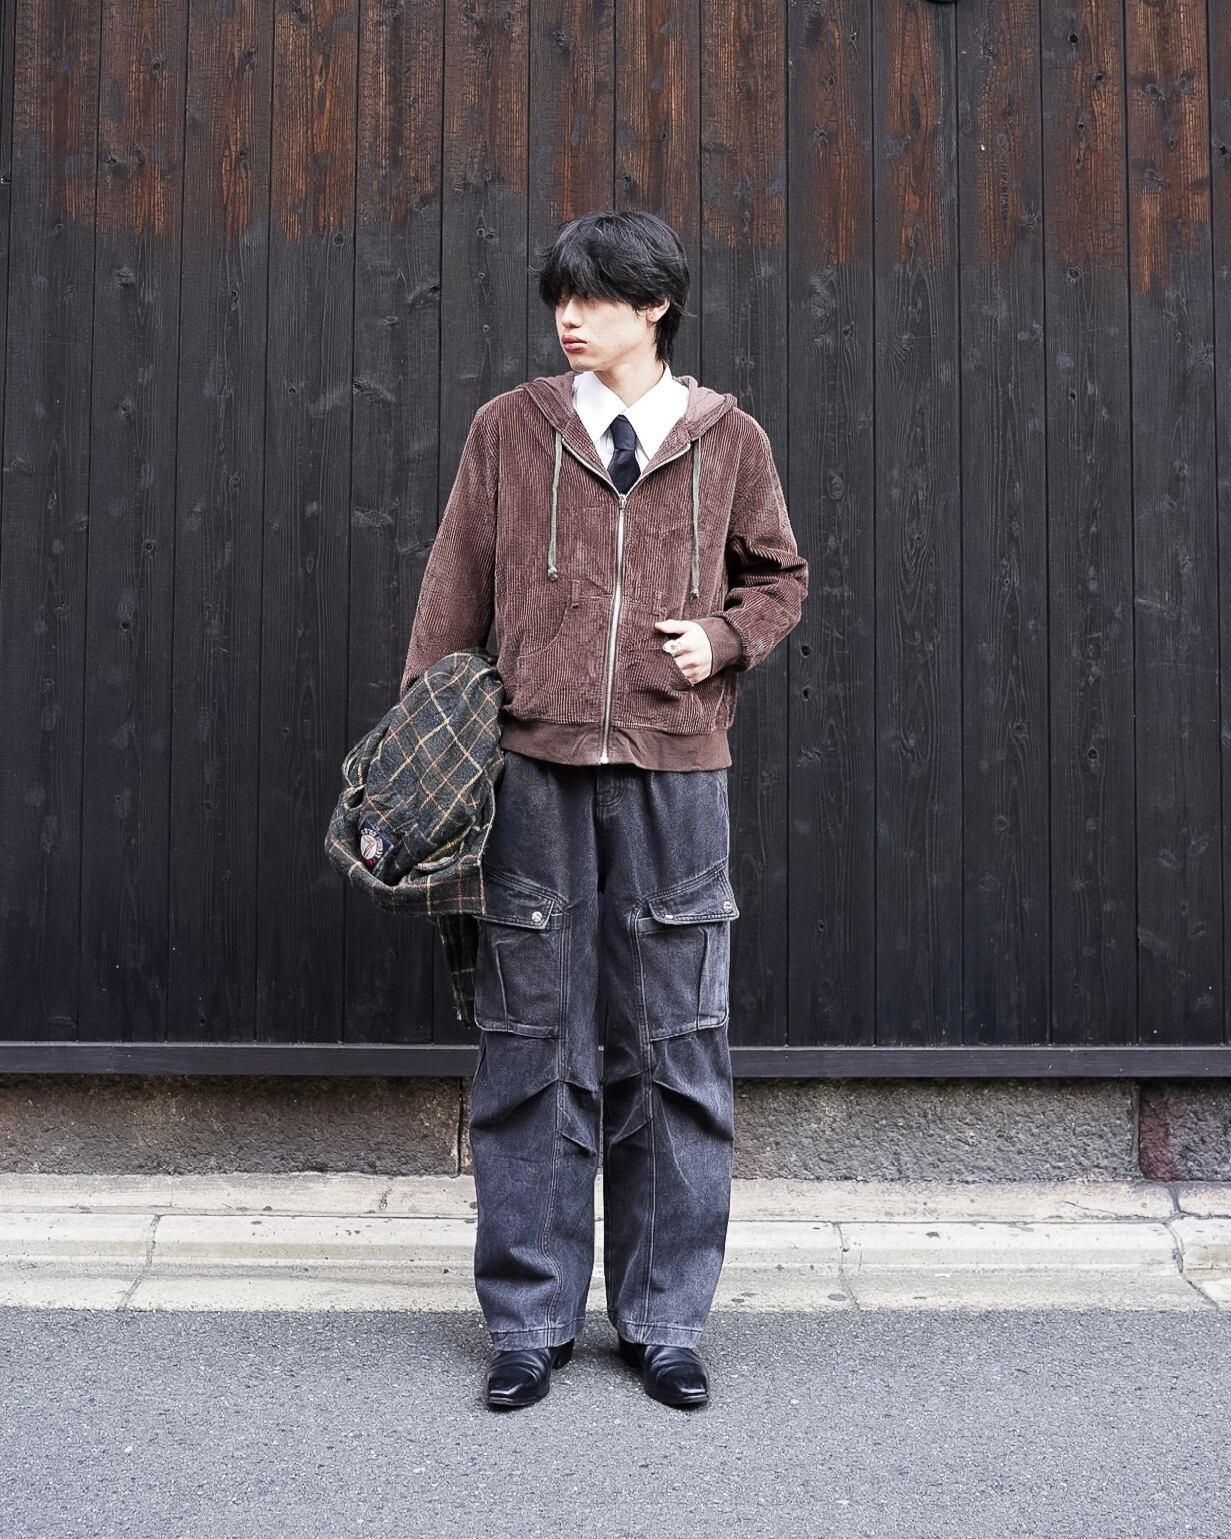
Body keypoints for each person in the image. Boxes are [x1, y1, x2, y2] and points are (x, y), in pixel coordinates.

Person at [399, 209, 808, 1410]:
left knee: (674, 1048)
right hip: (530, 774)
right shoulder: (509, 430)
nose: (568, 319)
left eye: (594, 299)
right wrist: (427, 755)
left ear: (655, 306)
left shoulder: (728, 438)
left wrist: (723, 639)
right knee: (531, 1047)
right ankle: (527, 1325)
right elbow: (449, 594)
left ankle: (665, 1322)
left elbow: (779, 577)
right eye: (560, 299)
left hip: (678, 775)